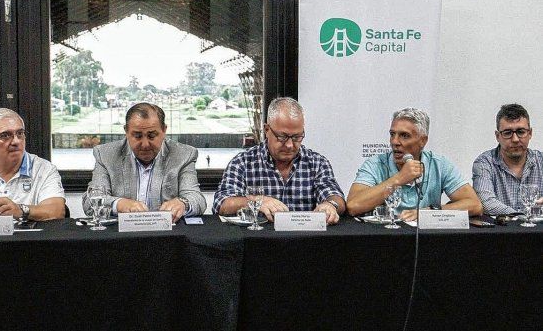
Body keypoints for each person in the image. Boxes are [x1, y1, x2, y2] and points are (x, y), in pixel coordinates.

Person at [213, 97, 345, 225]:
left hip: (305, 241)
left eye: (297, 137)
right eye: (282, 137)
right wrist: (257, 201)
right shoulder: (243, 163)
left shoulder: (317, 163)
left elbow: (336, 197)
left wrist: (330, 205)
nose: (289, 145)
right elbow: (222, 204)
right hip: (257, 241)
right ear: (266, 130)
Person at [347, 107, 482, 220]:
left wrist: (428, 212)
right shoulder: (375, 164)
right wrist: (399, 179)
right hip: (383, 240)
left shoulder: (439, 164)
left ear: (423, 141)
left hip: (425, 242)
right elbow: (353, 206)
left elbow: (474, 205)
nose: (395, 141)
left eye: (404, 136)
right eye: (392, 134)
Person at [83, 102, 206, 223]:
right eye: (137, 136)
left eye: (152, 136)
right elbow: (90, 202)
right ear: (126, 131)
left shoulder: (183, 154)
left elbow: (197, 199)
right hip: (120, 237)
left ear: (164, 130)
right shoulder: (106, 154)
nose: (145, 144)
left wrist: (183, 203)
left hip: (167, 236)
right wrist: (119, 204)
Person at [472, 103, 543, 215]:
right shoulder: (484, 163)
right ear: (497, 136)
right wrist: (523, 216)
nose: (515, 139)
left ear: (530, 133)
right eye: (507, 133)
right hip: (502, 231)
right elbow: (486, 203)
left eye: (521, 132)